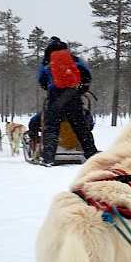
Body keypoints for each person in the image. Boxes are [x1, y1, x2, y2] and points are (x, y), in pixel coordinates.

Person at [36, 36, 97, 166]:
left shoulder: (47, 61)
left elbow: (41, 79)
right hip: (72, 95)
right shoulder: (73, 59)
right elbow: (87, 74)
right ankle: (91, 154)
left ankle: (48, 157)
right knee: (80, 126)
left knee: (52, 127)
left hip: (55, 96)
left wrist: (50, 87)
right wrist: (81, 89)